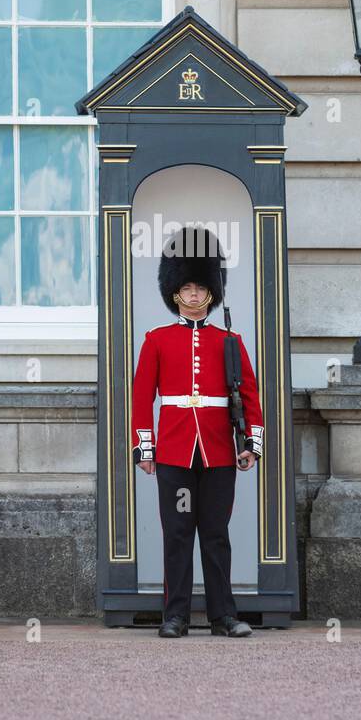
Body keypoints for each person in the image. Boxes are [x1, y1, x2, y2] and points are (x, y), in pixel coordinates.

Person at [131, 228, 264, 637]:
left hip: (219, 452)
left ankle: (224, 616)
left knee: (215, 534)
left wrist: (251, 444)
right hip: (174, 451)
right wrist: (145, 448)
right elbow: (141, 399)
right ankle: (176, 615)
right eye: (185, 287)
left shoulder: (230, 341)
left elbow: (249, 394)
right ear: (174, 293)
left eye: (199, 287)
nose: (192, 295)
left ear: (211, 292)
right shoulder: (156, 340)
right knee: (177, 534)